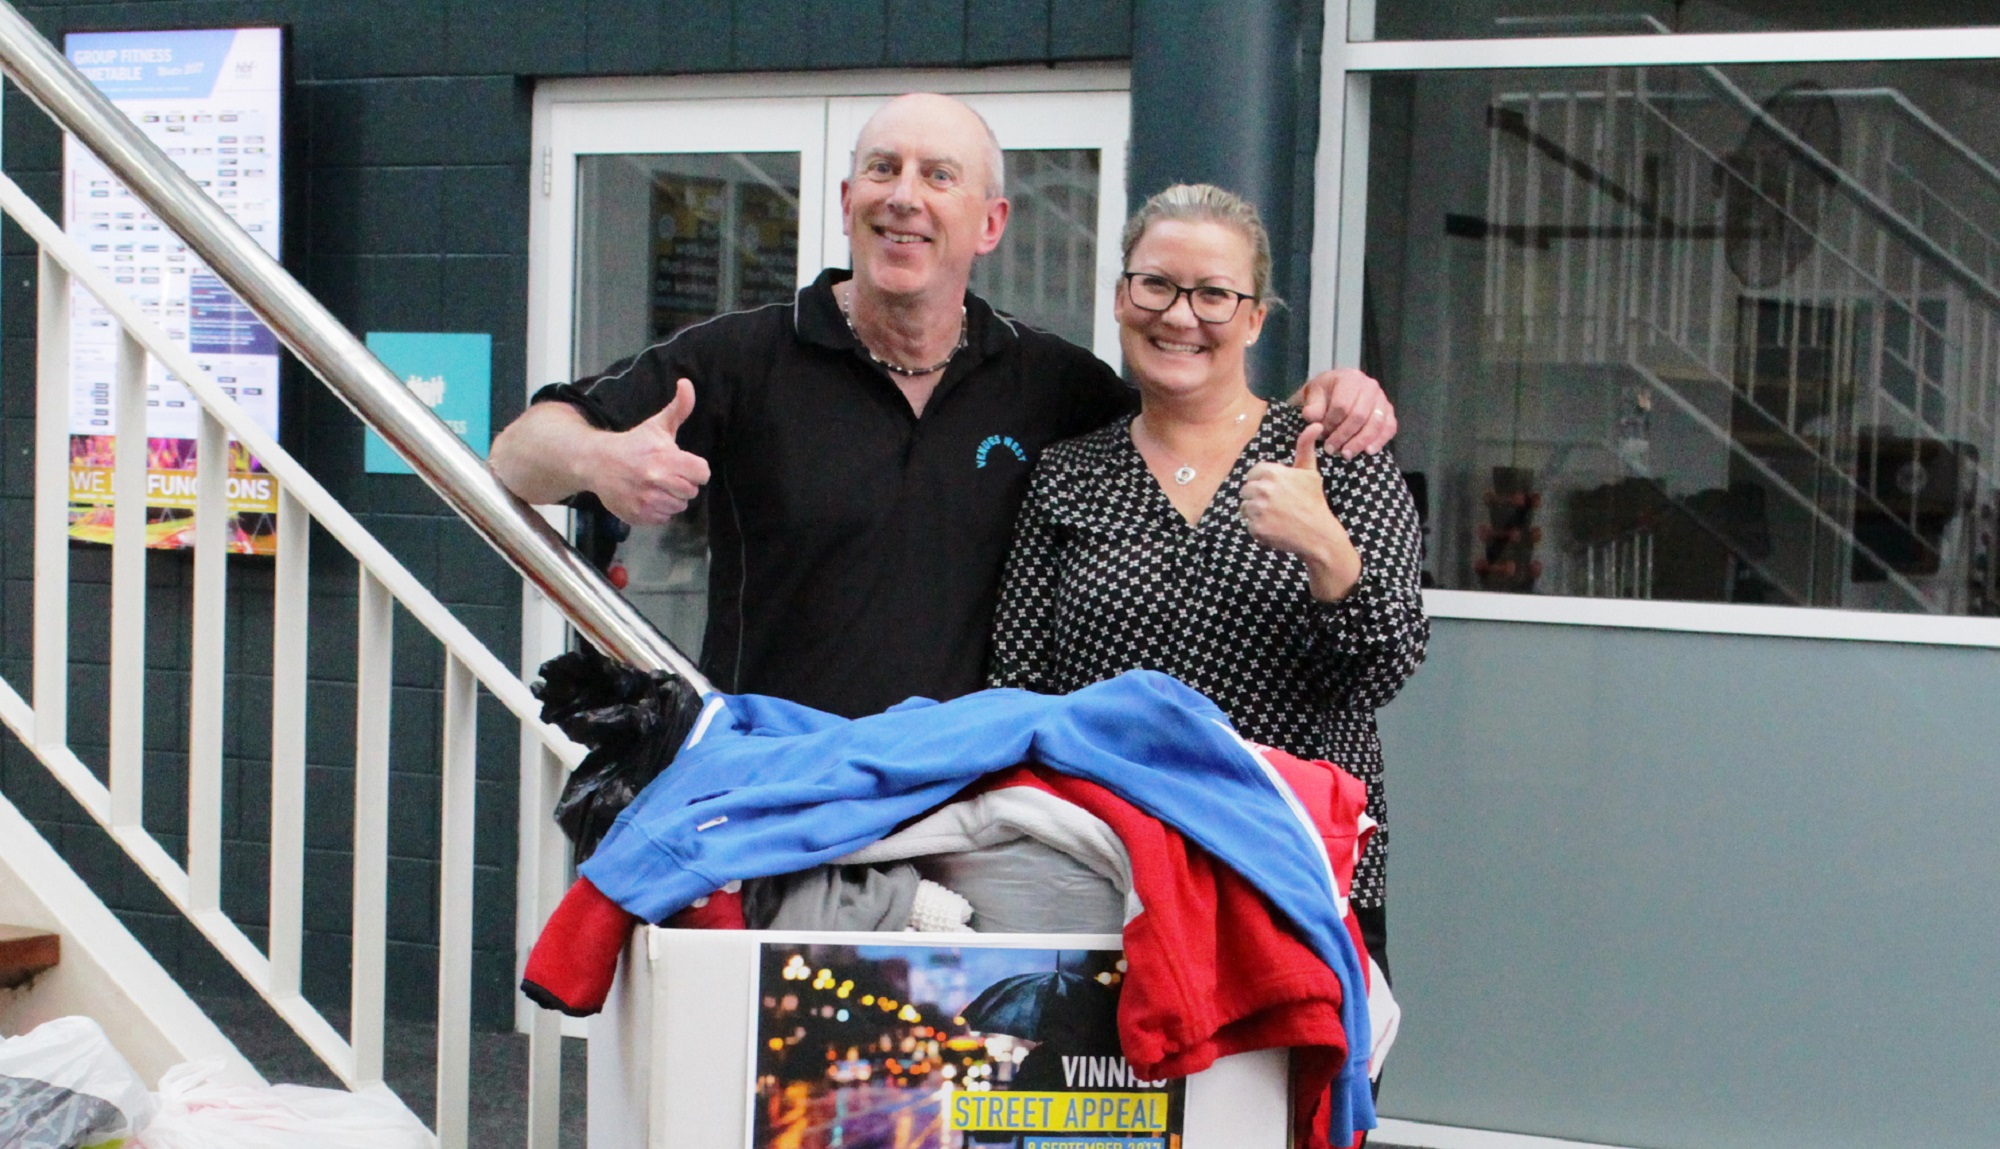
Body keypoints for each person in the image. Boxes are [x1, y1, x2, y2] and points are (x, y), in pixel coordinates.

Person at [489, 93, 1399, 719]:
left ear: (990, 223)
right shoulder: (736, 359)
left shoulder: (1051, 383)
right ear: (848, 203)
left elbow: (1188, 401)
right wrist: (599, 462)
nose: (905, 197)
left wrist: (1328, 398)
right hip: (779, 792)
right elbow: (516, 453)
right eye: (883, 170)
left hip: (975, 814)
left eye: (939, 176)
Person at [986, 184, 1428, 973]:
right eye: (1155, 284)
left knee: (1297, 1100)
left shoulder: (1337, 457)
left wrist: (1326, 547)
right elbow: (1019, 688)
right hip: (1113, 877)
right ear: (1122, 298)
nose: (1180, 315)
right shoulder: (1068, 474)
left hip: (1294, 875)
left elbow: (1385, 667)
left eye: (1215, 294)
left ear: (1256, 317)